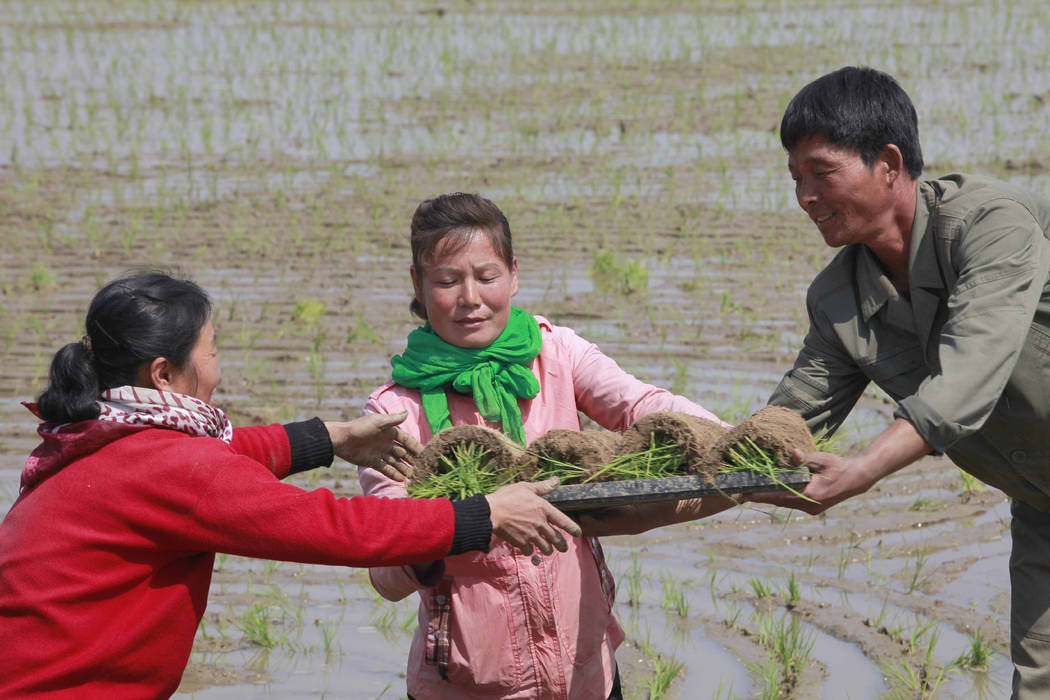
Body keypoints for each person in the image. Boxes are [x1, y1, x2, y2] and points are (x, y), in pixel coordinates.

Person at [0, 271, 580, 699]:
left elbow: (217, 459)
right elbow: (337, 530)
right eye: (212, 353)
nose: (219, 369)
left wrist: (330, 438)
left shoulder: (96, 432)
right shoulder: (170, 467)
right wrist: (482, 515)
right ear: (163, 375)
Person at [745, 66, 1050, 699]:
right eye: (795, 178)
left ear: (888, 162)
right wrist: (638, 482)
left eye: (822, 172)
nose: (804, 195)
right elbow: (789, 419)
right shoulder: (840, 296)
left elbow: (967, 376)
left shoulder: (990, 225)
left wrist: (863, 470)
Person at [357, 193, 734, 700]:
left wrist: (729, 439)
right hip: (469, 681)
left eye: (486, 277)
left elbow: (641, 403)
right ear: (418, 285)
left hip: (586, 673)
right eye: (447, 281)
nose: (470, 297)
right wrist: (461, 520)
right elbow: (385, 572)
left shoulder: (557, 354)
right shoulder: (394, 413)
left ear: (513, 273)